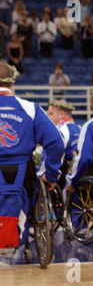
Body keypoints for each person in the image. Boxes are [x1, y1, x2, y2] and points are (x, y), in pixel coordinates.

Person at [0, 63, 63, 197]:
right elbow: (56, 142)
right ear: (12, 84)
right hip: (23, 177)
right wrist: (51, 175)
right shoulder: (31, 108)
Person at [45, 100, 81, 188]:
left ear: (62, 114)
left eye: (51, 114)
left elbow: (52, 155)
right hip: (81, 172)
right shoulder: (81, 128)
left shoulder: (59, 130)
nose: (48, 117)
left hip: (65, 176)